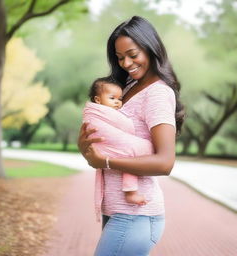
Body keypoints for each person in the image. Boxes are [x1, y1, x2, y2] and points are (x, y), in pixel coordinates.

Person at [78, 15, 184, 256]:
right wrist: (85, 145)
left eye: (133, 55)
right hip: (117, 210)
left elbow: (165, 162)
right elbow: (106, 141)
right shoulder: (126, 87)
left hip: (136, 216)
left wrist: (104, 161)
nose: (126, 63)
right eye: (119, 57)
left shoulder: (157, 94)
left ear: (151, 47)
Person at [86, 76, 148, 206]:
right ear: (97, 100)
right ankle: (130, 193)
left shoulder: (110, 112)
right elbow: (126, 125)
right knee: (132, 154)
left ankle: (130, 192)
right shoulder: (95, 112)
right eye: (112, 98)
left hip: (107, 147)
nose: (117, 102)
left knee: (129, 158)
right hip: (103, 143)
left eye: (120, 99)